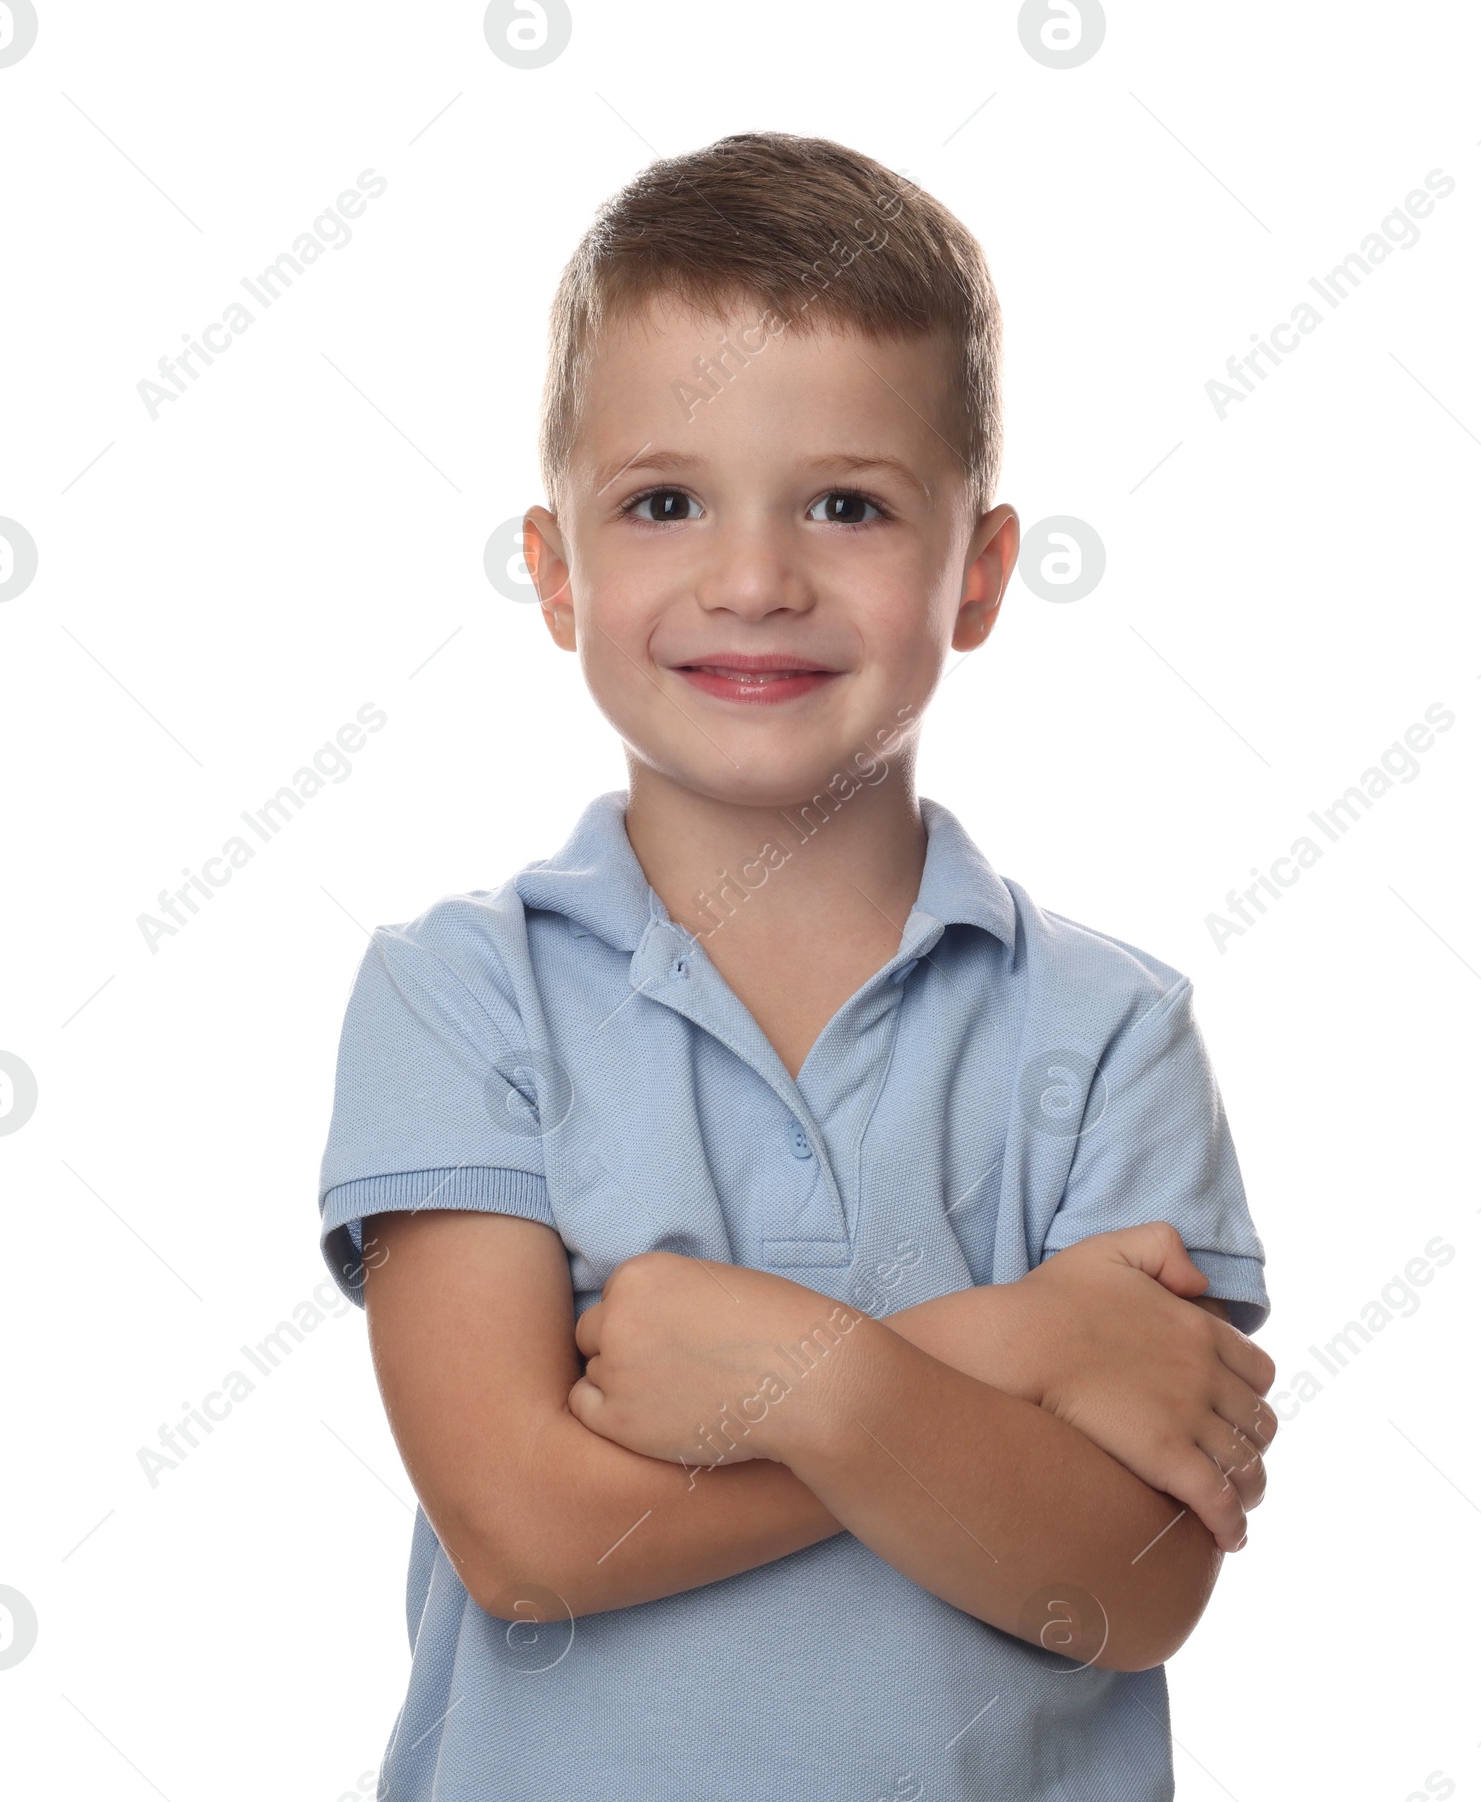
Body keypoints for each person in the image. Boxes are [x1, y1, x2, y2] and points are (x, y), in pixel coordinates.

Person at [317, 131, 1274, 1802]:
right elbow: (530, 1532)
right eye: (664, 500)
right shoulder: (464, 993)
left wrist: (798, 1374)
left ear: (977, 569)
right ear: (555, 571)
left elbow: (1133, 1586)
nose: (753, 579)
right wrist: (1005, 1350)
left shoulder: (1111, 1034)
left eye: (847, 504)